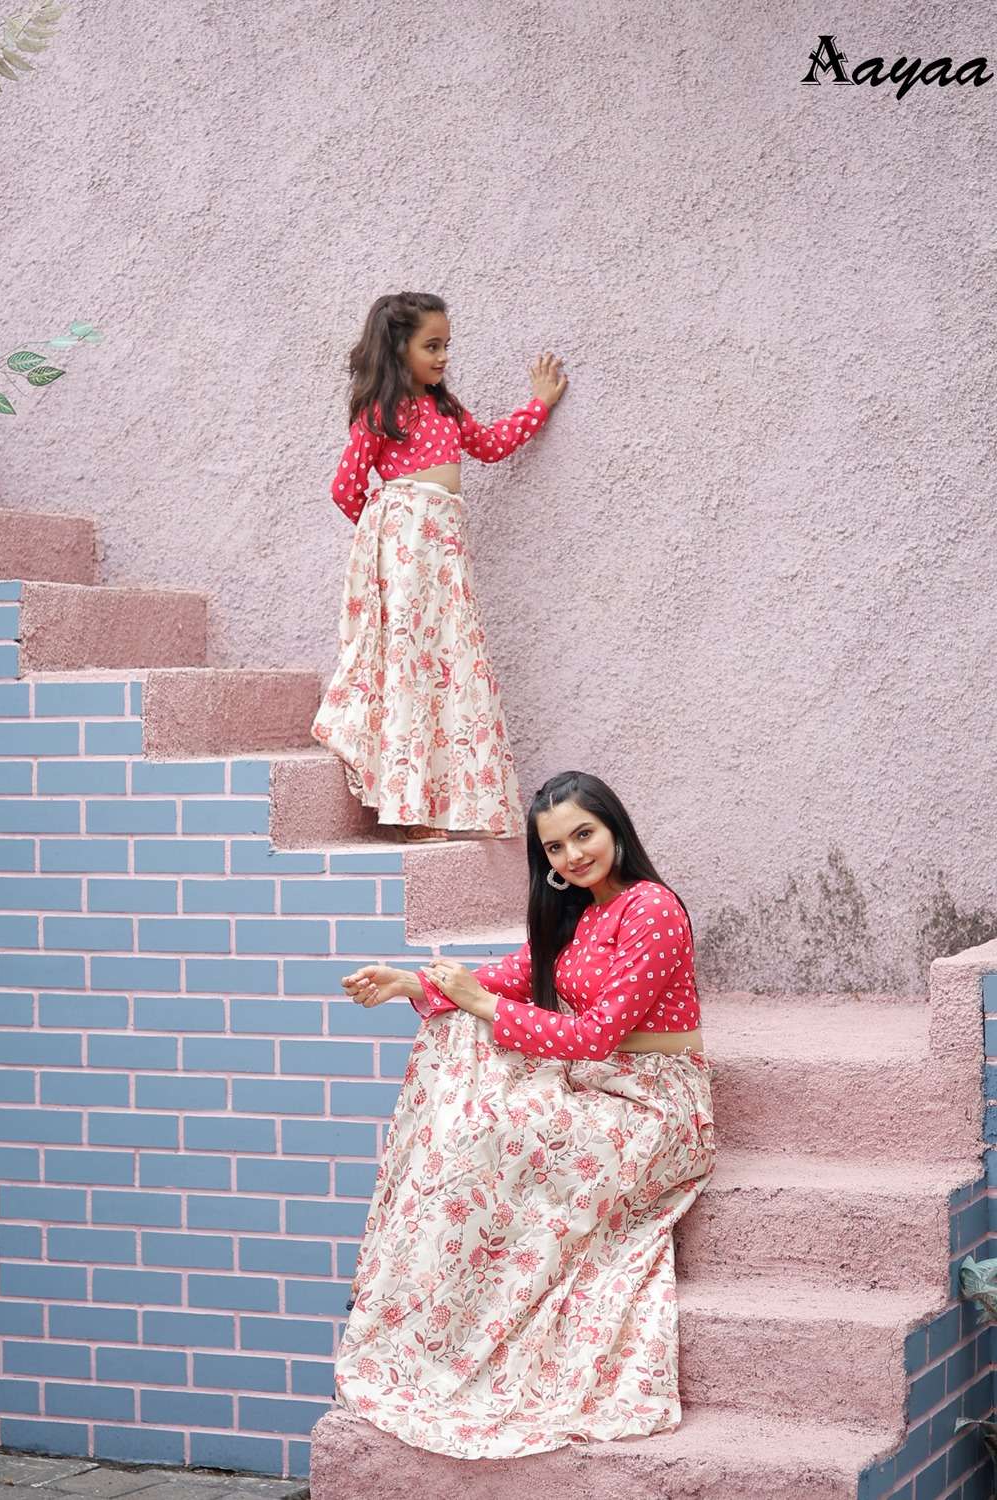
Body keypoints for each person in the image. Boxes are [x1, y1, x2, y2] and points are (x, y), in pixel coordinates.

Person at [335, 771, 716, 1459]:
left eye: (583, 834)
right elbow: (508, 977)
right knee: (461, 1064)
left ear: (614, 829)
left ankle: (471, 1324)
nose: (573, 855)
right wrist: (410, 983)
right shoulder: (578, 913)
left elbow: (596, 1034)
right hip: (597, 1085)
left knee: (491, 1108)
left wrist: (483, 1006)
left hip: (656, 1102)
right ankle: (437, 1319)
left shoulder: (651, 908)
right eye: (555, 848)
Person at [311, 291, 568, 842]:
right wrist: (389, 534)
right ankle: (410, 809)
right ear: (398, 348)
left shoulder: (445, 409)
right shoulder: (381, 414)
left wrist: (538, 406)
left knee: (446, 668)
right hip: (409, 556)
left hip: (445, 559)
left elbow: (491, 445)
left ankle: (452, 802)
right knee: (411, 667)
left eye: (447, 345)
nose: (444, 356)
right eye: (432, 346)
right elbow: (346, 487)